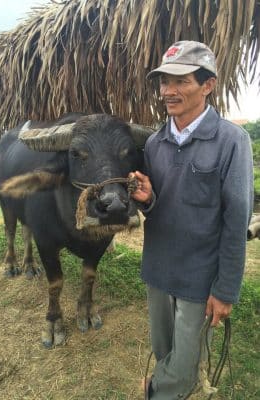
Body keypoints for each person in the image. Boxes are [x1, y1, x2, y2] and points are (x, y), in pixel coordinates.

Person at [130, 40, 254, 399]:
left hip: (200, 279)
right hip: (158, 271)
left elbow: (236, 221)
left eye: (181, 81)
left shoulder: (232, 142)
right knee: (165, 349)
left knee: (184, 367)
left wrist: (226, 289)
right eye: (164, 81)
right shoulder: (155, 143)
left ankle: (156, 391)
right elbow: (157, 207)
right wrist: (148, 198)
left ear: (208, 85)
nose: (168, 91)